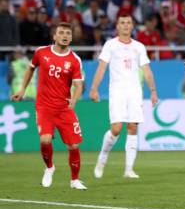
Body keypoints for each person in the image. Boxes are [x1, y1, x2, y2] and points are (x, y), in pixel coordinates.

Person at [10, 22, 87, 190]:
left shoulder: (74, 60)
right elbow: (30, 69)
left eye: (68, 33)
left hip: (64, 107)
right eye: (61, 32)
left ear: (71, 37)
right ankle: (49, 167)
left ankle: (74, 180)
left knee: (73, 145)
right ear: (55, 36)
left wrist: (74, 99)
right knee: (45, 139)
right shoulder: (41, 53)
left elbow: (79, 85)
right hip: (44, 106)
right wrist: (22, 89)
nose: (65, 35)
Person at [89, 14, 159, 179]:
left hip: (135, 91)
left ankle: (129, 169)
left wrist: (153, 91)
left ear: (132, 26)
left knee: (133, 127)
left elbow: (147, 70)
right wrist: (94, 88)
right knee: (116, 128)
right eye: (122, 22)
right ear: (117, 26)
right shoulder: (110, 45)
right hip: (117, 91)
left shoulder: (139, 47)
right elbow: (101, 68)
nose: (126, 25)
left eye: (128, 22)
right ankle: (102, 158)